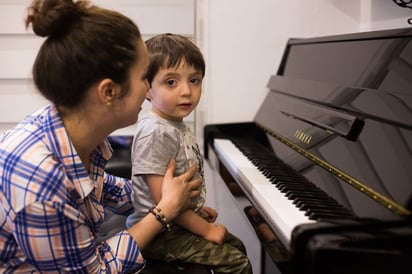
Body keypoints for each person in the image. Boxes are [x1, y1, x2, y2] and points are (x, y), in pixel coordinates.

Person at [0, 1, 202, 273]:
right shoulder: (42, 185)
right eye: (145, 77)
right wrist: (163, 212)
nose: (148, 89)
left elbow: (96, 186)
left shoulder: (67, 129)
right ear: (108, 92)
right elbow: (95, 270)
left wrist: (160, 195)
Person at [126, 33, 252, 274]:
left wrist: (195, 209)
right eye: (171, 82)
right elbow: (163, 202)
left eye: (194, 80)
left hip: (176, 221)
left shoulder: (174, 123)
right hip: (161, 234)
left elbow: (176, 192)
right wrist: (206, 230)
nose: (186, 91)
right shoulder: (156, 132)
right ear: (148, 89)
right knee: (238, 263)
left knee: (238, 245)